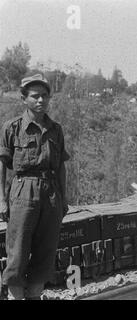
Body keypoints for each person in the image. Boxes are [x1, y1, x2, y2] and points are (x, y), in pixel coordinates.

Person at [0, 74, 70, 300]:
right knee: (18, 252)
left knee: (45, 251)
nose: (41, 100)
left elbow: (60, 167)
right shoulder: (12, 127)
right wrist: (1, 199)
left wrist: (63, 198)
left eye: (45, 96)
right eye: (35, 96)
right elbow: (2, 166)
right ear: (24, 99)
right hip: (23, 191)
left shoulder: (56, 129)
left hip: (50, 193)